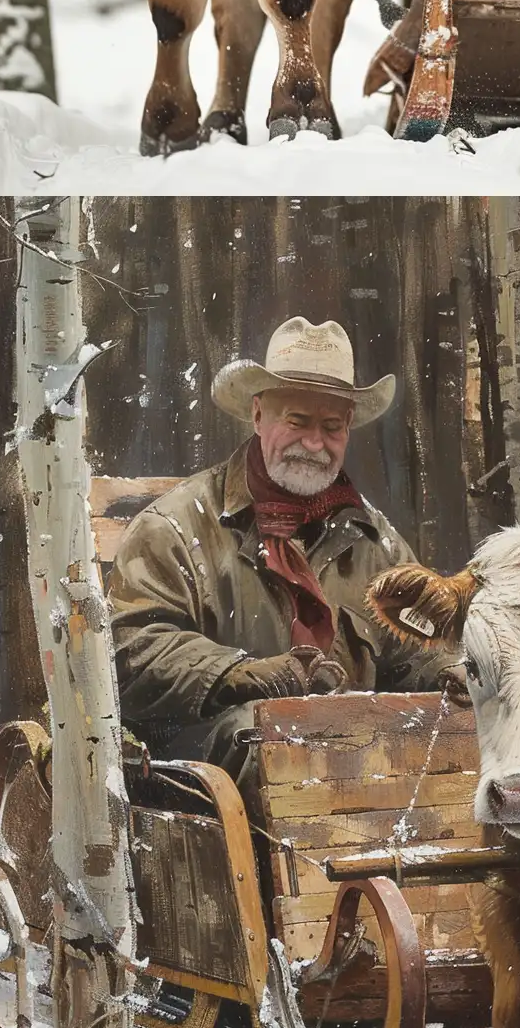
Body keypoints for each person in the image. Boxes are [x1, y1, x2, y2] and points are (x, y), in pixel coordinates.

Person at [107, 317, 456, 812]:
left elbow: (417, 646)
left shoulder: (375, 541)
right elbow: (131, 649)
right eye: (297, 421)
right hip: (205, 789)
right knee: (261, 734)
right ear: (257, 414)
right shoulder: (173, 529)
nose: (314, 444)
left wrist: (452, 672)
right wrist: (241, 674)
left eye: (332, 427)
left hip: (357, 774)